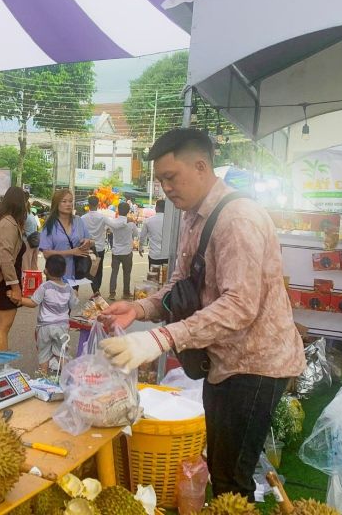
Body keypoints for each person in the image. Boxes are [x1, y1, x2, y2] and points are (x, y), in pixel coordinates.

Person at [99, 128, 305, 501]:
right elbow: (182, 285)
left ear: (200, 166)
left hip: (256, 364)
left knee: (231, 478)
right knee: (222, 469)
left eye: (170, 177)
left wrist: (160, 338)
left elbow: (240, 305)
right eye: (161, 180)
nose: (166, 189)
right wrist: (139, 308)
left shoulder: (239, 218)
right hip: (223, 360)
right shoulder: (195, 217)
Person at [10, 255, 78, 375]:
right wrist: (75, 294)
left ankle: (44, 377)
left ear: (45, 270)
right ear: (64, 271)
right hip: (62, 327)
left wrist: (18, 298)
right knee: (61, 353)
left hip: (45, 327)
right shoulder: (69, 289)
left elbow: (33, 302)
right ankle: (67, 378)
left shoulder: (45, 287)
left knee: (44, 353)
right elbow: (73, 305)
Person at [0, 187, 28, 350]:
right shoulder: (8, 223)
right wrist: (15, 287)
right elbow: (6, 258)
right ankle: (0, 368)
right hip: (4, 281)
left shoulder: (0, 219)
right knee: (3, 327)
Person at [39, 190, 92, 284]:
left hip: (75, 273)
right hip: (55, 275)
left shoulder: (78, 220)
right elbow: (46, 253)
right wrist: (72, 252)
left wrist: (87, 241)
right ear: (56, 203)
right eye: (64, 201)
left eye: (70, 201)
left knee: (73, 297)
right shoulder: (50, 225)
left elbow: (91, 241)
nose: (68, 204)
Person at [106, 201, 138, 301]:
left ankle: (112, 293)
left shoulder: (113, 222)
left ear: (118, 210)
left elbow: (109, 230)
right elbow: (136, 234)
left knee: (114, 273)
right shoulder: (131, 223)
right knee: (127, 273)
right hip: (127, 252)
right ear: (128, 211)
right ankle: (126, 293)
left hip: (116, 251)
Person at [81, 196, 108, 296]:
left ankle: (95, 289)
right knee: (98, 269)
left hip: (88, 248)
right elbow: (111, 226)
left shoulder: (83, 218)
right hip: (99, 248)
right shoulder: (102, 217)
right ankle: (96, 289)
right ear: (98, 204)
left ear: (88, 205)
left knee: (90, 269)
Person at [139, 199, 167, 267]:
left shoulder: (148, 221)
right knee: (165, 276)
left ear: (156, 208)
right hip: (167, 255)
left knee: (153, 276)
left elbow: (142, 236)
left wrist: (140, 248)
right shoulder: (170, 221)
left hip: (154, 255)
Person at [23, 203, 40, 271]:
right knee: (34, 266)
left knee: (26, 266)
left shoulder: (24, 216)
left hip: (28, 243)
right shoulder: (31, 215)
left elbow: (21, 230)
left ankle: (26, 281)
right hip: (36, 242)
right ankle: (34, 281)